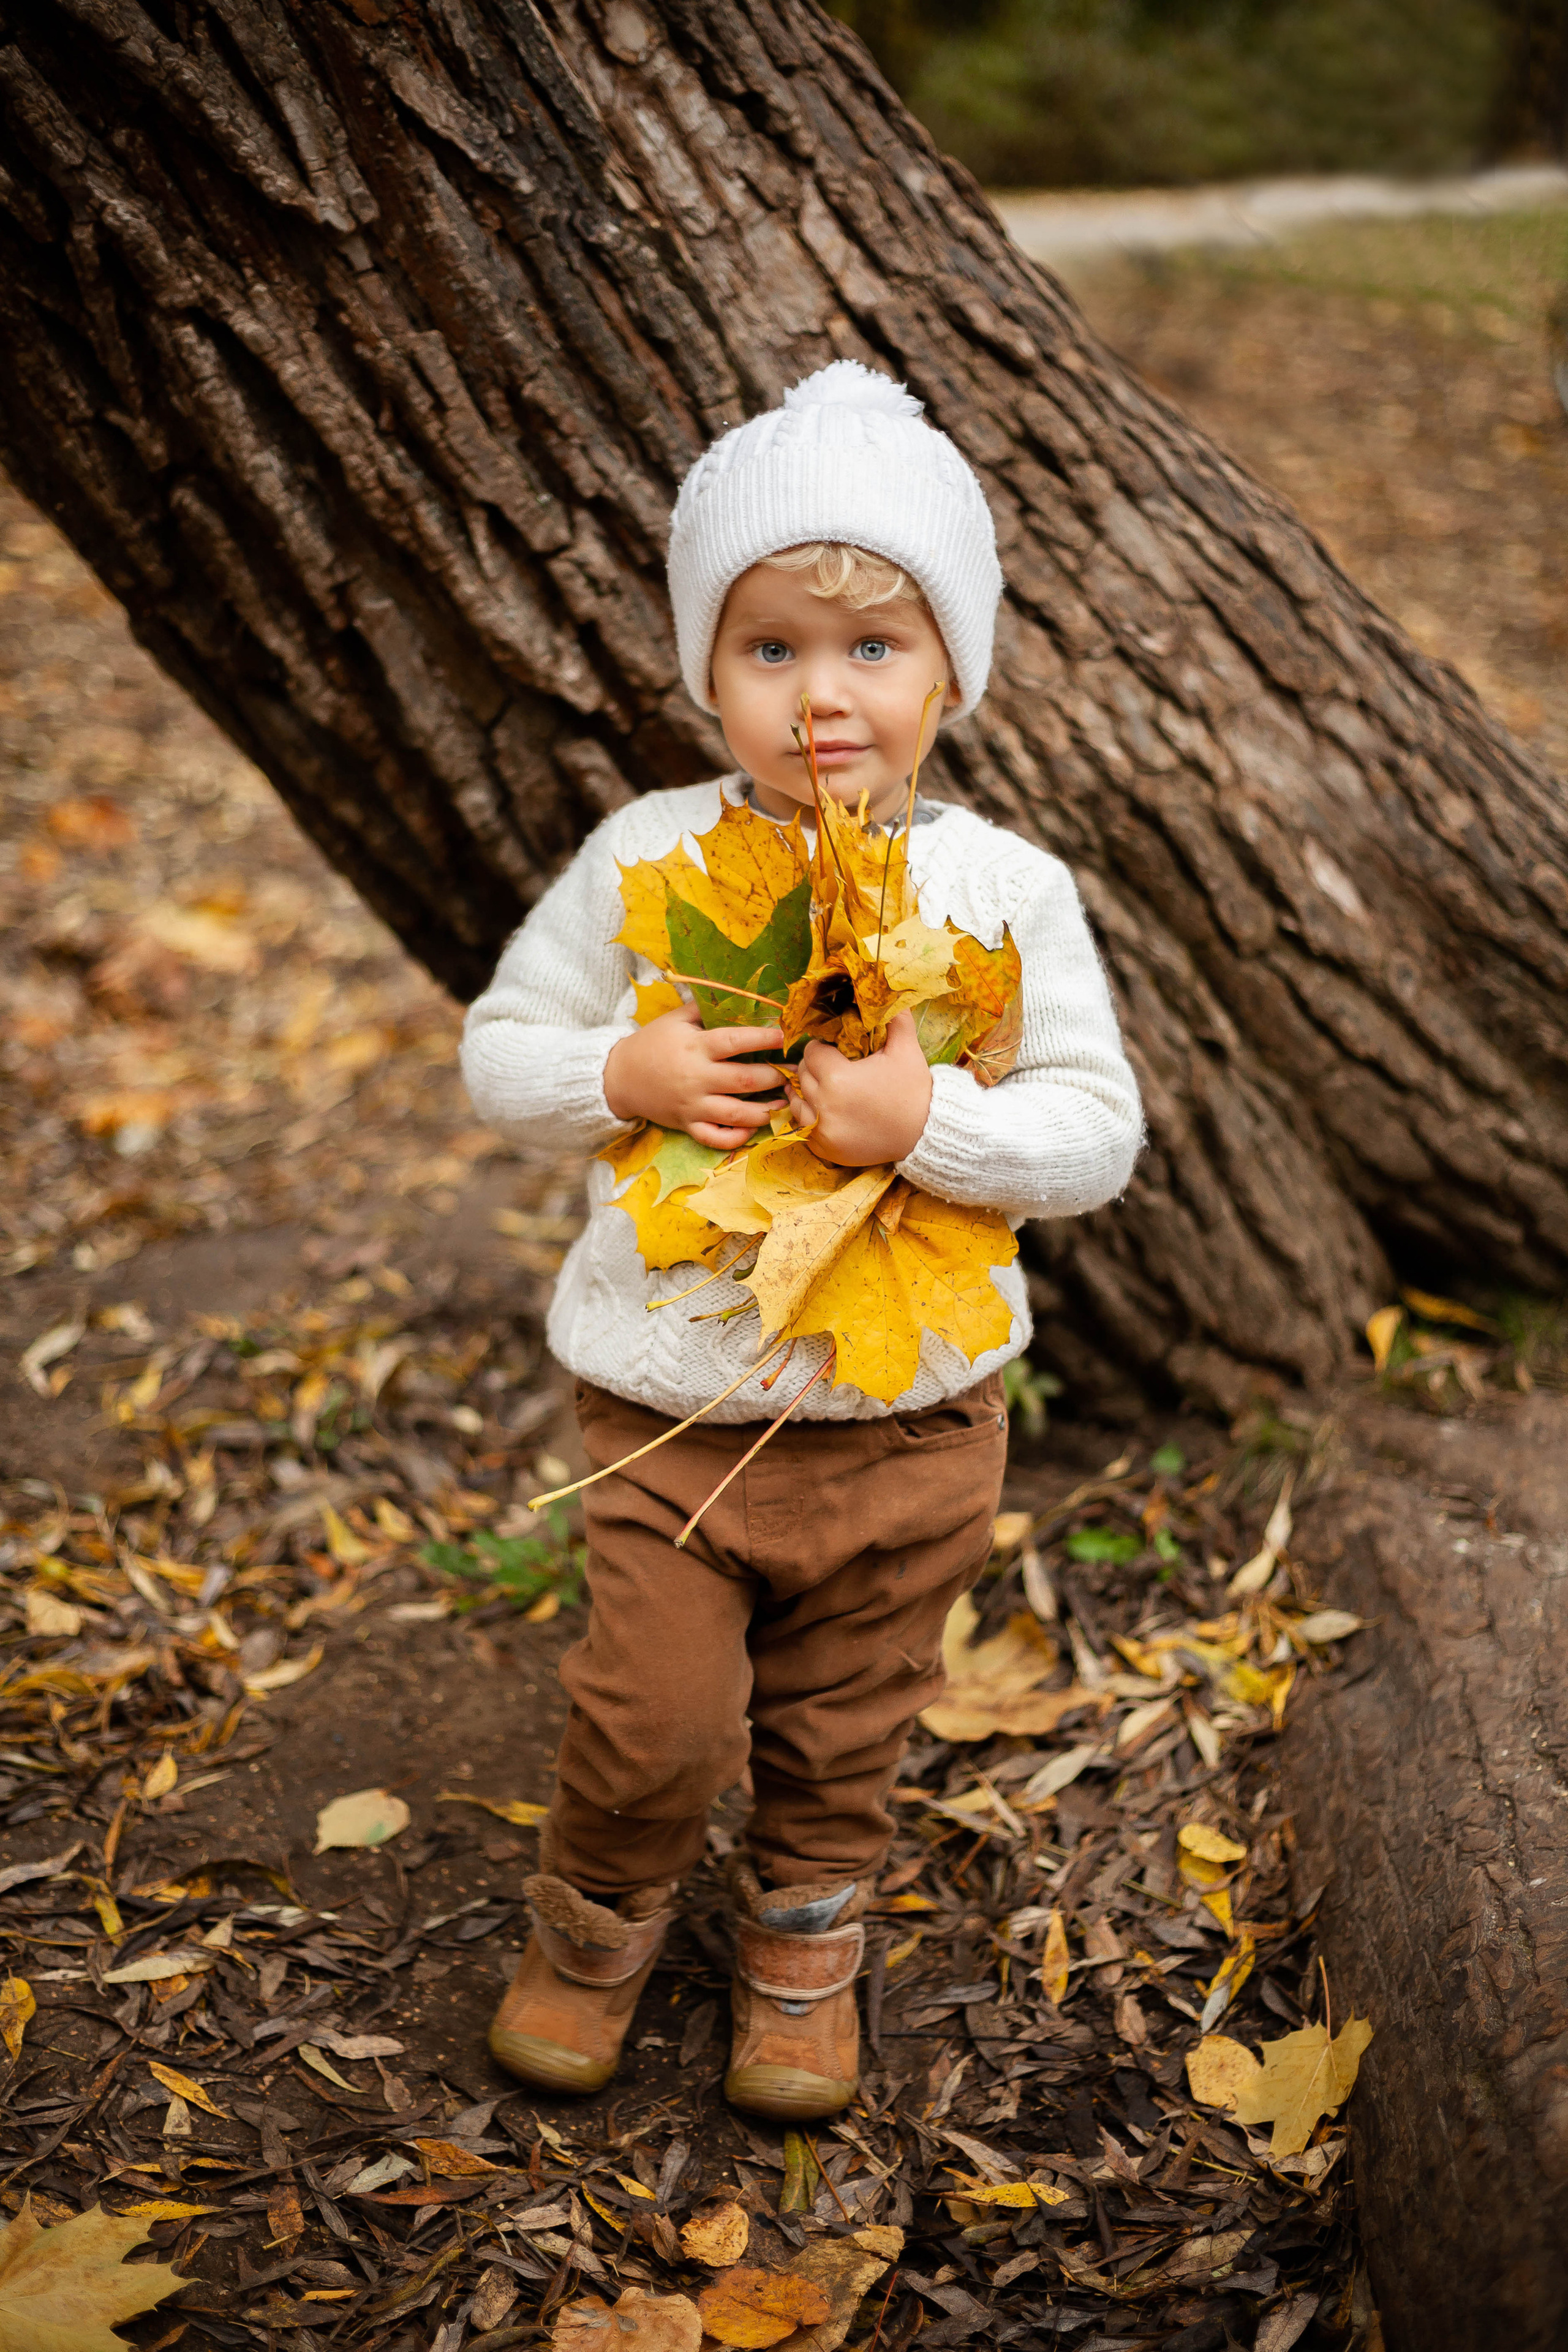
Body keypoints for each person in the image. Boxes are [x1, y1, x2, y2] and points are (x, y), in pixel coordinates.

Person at [460, 360, 1143, 2121]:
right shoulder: (646, 857)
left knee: (844, 1731)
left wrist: (932, 1127)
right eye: (770, 649)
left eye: (874, 650)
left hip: (917, 1422)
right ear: (708, 667)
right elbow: (500, 1051)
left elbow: (1097, 1131)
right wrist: (625, 1065)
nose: (822, 699)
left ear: (953, 671)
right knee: (653, 1723)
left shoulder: (1007, 892)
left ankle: (801, 1949)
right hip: (674, 1413)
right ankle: (596, 1924)